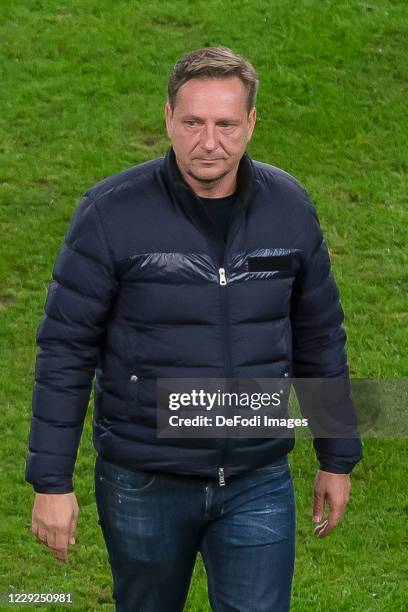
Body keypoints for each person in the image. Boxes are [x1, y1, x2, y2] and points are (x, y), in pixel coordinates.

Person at [25, 46, 362, 611]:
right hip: (143, 482)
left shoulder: (290, 208)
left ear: (252, 122)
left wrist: (336, 456)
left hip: (258, 480)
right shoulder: (110, 213)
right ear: (168, 120)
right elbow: (65, 348)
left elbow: (319, 335)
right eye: (193, 123)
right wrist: (52, 482)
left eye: (227, 124)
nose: (210, 142)